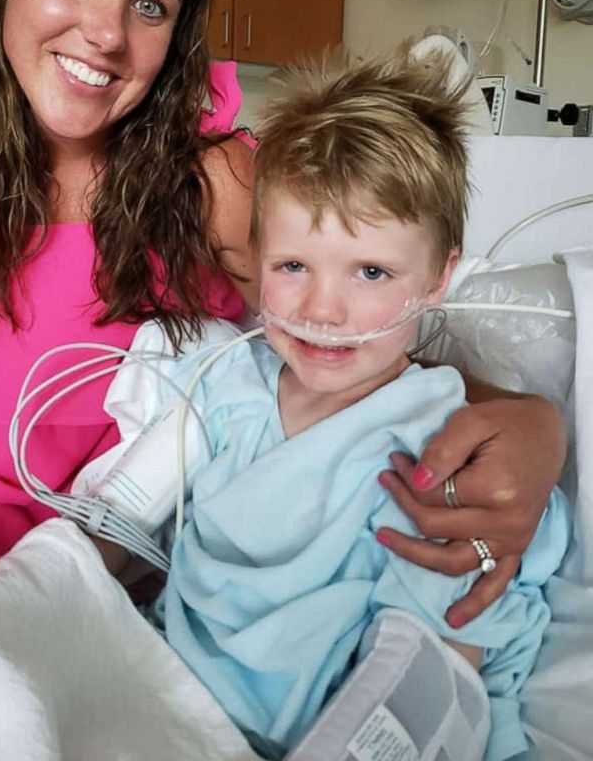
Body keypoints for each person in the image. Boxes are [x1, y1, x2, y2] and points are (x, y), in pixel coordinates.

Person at [0, 0, 564, 611]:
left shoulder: (213, 180)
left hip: (107, 543)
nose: (107, 33)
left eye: (150, 5)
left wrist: (530, 421)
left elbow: (358, 334)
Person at [94, 49, 567, 760]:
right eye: (293, 267)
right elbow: (115, 533)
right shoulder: (225, 387)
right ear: (254, 257)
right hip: (168, 704)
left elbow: (443, 649)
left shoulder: (437, 441)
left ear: (440, 277)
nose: (324, 309)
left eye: (372, 272)